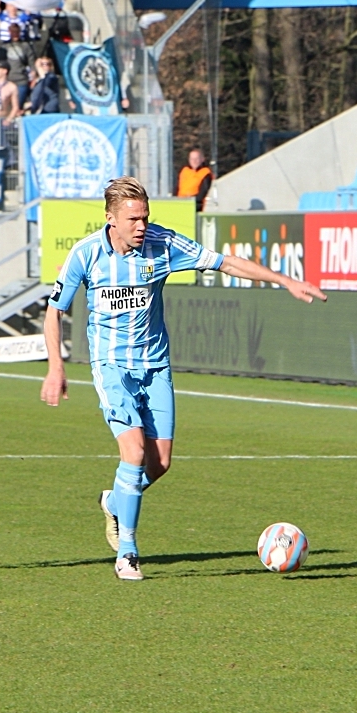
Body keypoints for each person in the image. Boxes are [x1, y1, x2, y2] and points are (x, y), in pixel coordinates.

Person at [40, 176, 326, 581]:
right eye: (133, 219)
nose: (142, 226)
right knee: (134, 452)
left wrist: (285, 281)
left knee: (160, 463)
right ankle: (128, 553)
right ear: (111, 219)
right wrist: (56, 367)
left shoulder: (163, 244)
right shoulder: (85, 255)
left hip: (155, 365)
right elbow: (55, 311)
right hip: (112, 367)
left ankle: (115, 502)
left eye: (145, 217)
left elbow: (226, 262)